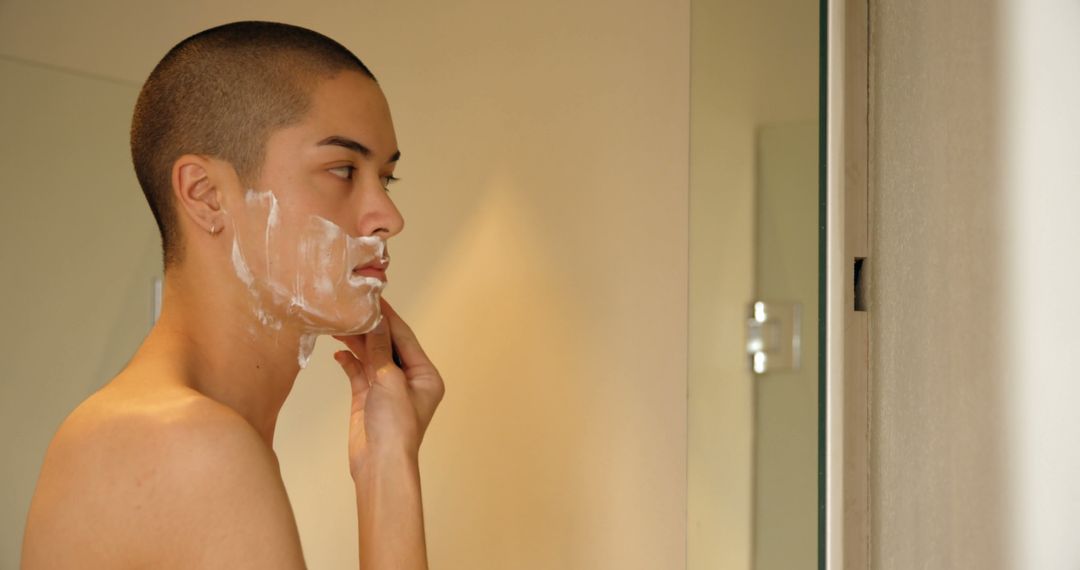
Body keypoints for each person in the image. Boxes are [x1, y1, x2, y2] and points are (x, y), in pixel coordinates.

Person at [20, 21, 444, 569]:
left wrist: (387, 457)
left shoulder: (167, 432)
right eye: (343, 169)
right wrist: (391, 477)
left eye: (385, 179)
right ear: (205, 195)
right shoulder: (186, 444)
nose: (388, 218)